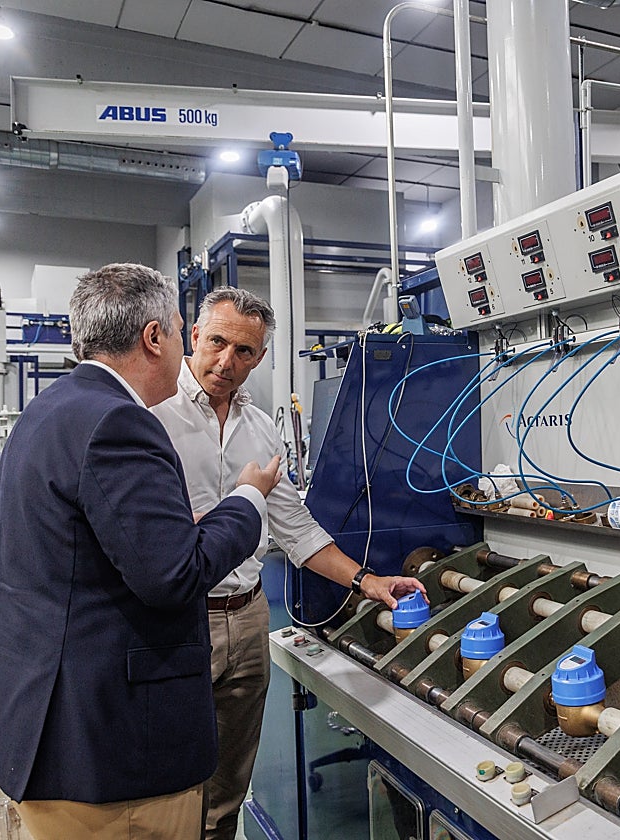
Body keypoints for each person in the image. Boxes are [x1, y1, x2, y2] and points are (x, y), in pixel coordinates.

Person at [0, 264, 283, 840]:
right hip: (109, 745)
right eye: (186, 334)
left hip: (48, 718)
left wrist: (173, 532)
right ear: (158, 338)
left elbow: (50, 539)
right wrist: (247, 497)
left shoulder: (49, 410)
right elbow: (173, 576)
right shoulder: (122, 422)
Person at [150, 287, 426, 840]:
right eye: (219, 342)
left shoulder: (260, 429)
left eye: (246, 352)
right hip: (177, 620)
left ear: (260, 356)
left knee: (228, 788)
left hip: (248, 617)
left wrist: (367, 582)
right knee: (167, 786)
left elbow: (294, 529)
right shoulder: (151, 412)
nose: (228, 362)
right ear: (195, 336)